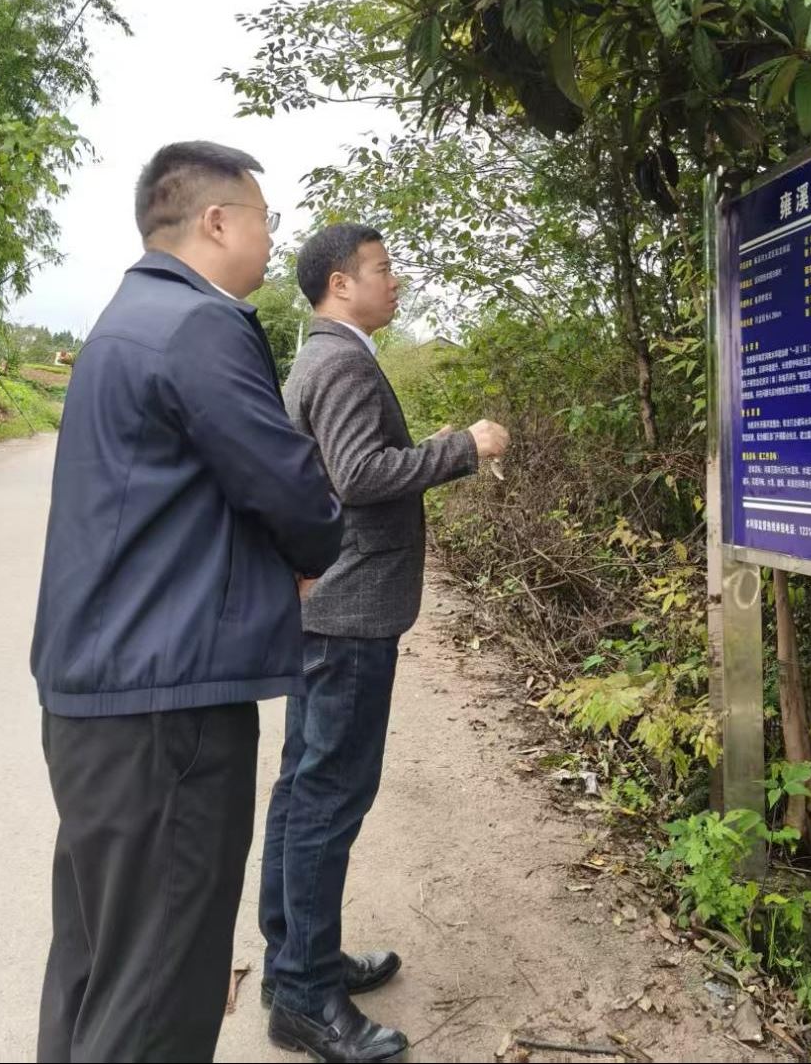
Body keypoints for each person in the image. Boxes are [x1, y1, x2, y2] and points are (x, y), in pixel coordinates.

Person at [31, 141, 344, 1063]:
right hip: (165, 707)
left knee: (99, 965)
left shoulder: (125, 319)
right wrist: (307, 549)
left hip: (104, 697)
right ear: (216, 221)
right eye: (264, 218)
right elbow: (291, 489)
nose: (271, 237)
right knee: (160, 989)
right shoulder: (200, 324)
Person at [260, 223, 509, 1062]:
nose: (394, 280)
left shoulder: (323, 356)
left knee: (303, 788)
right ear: (340, 283)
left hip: (331, 608)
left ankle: (296, 962)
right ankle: (304, 997)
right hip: (351, 612)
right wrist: (462, 447)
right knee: (328, 797)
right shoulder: (340, 362)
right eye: (381, 268)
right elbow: (360, 475)